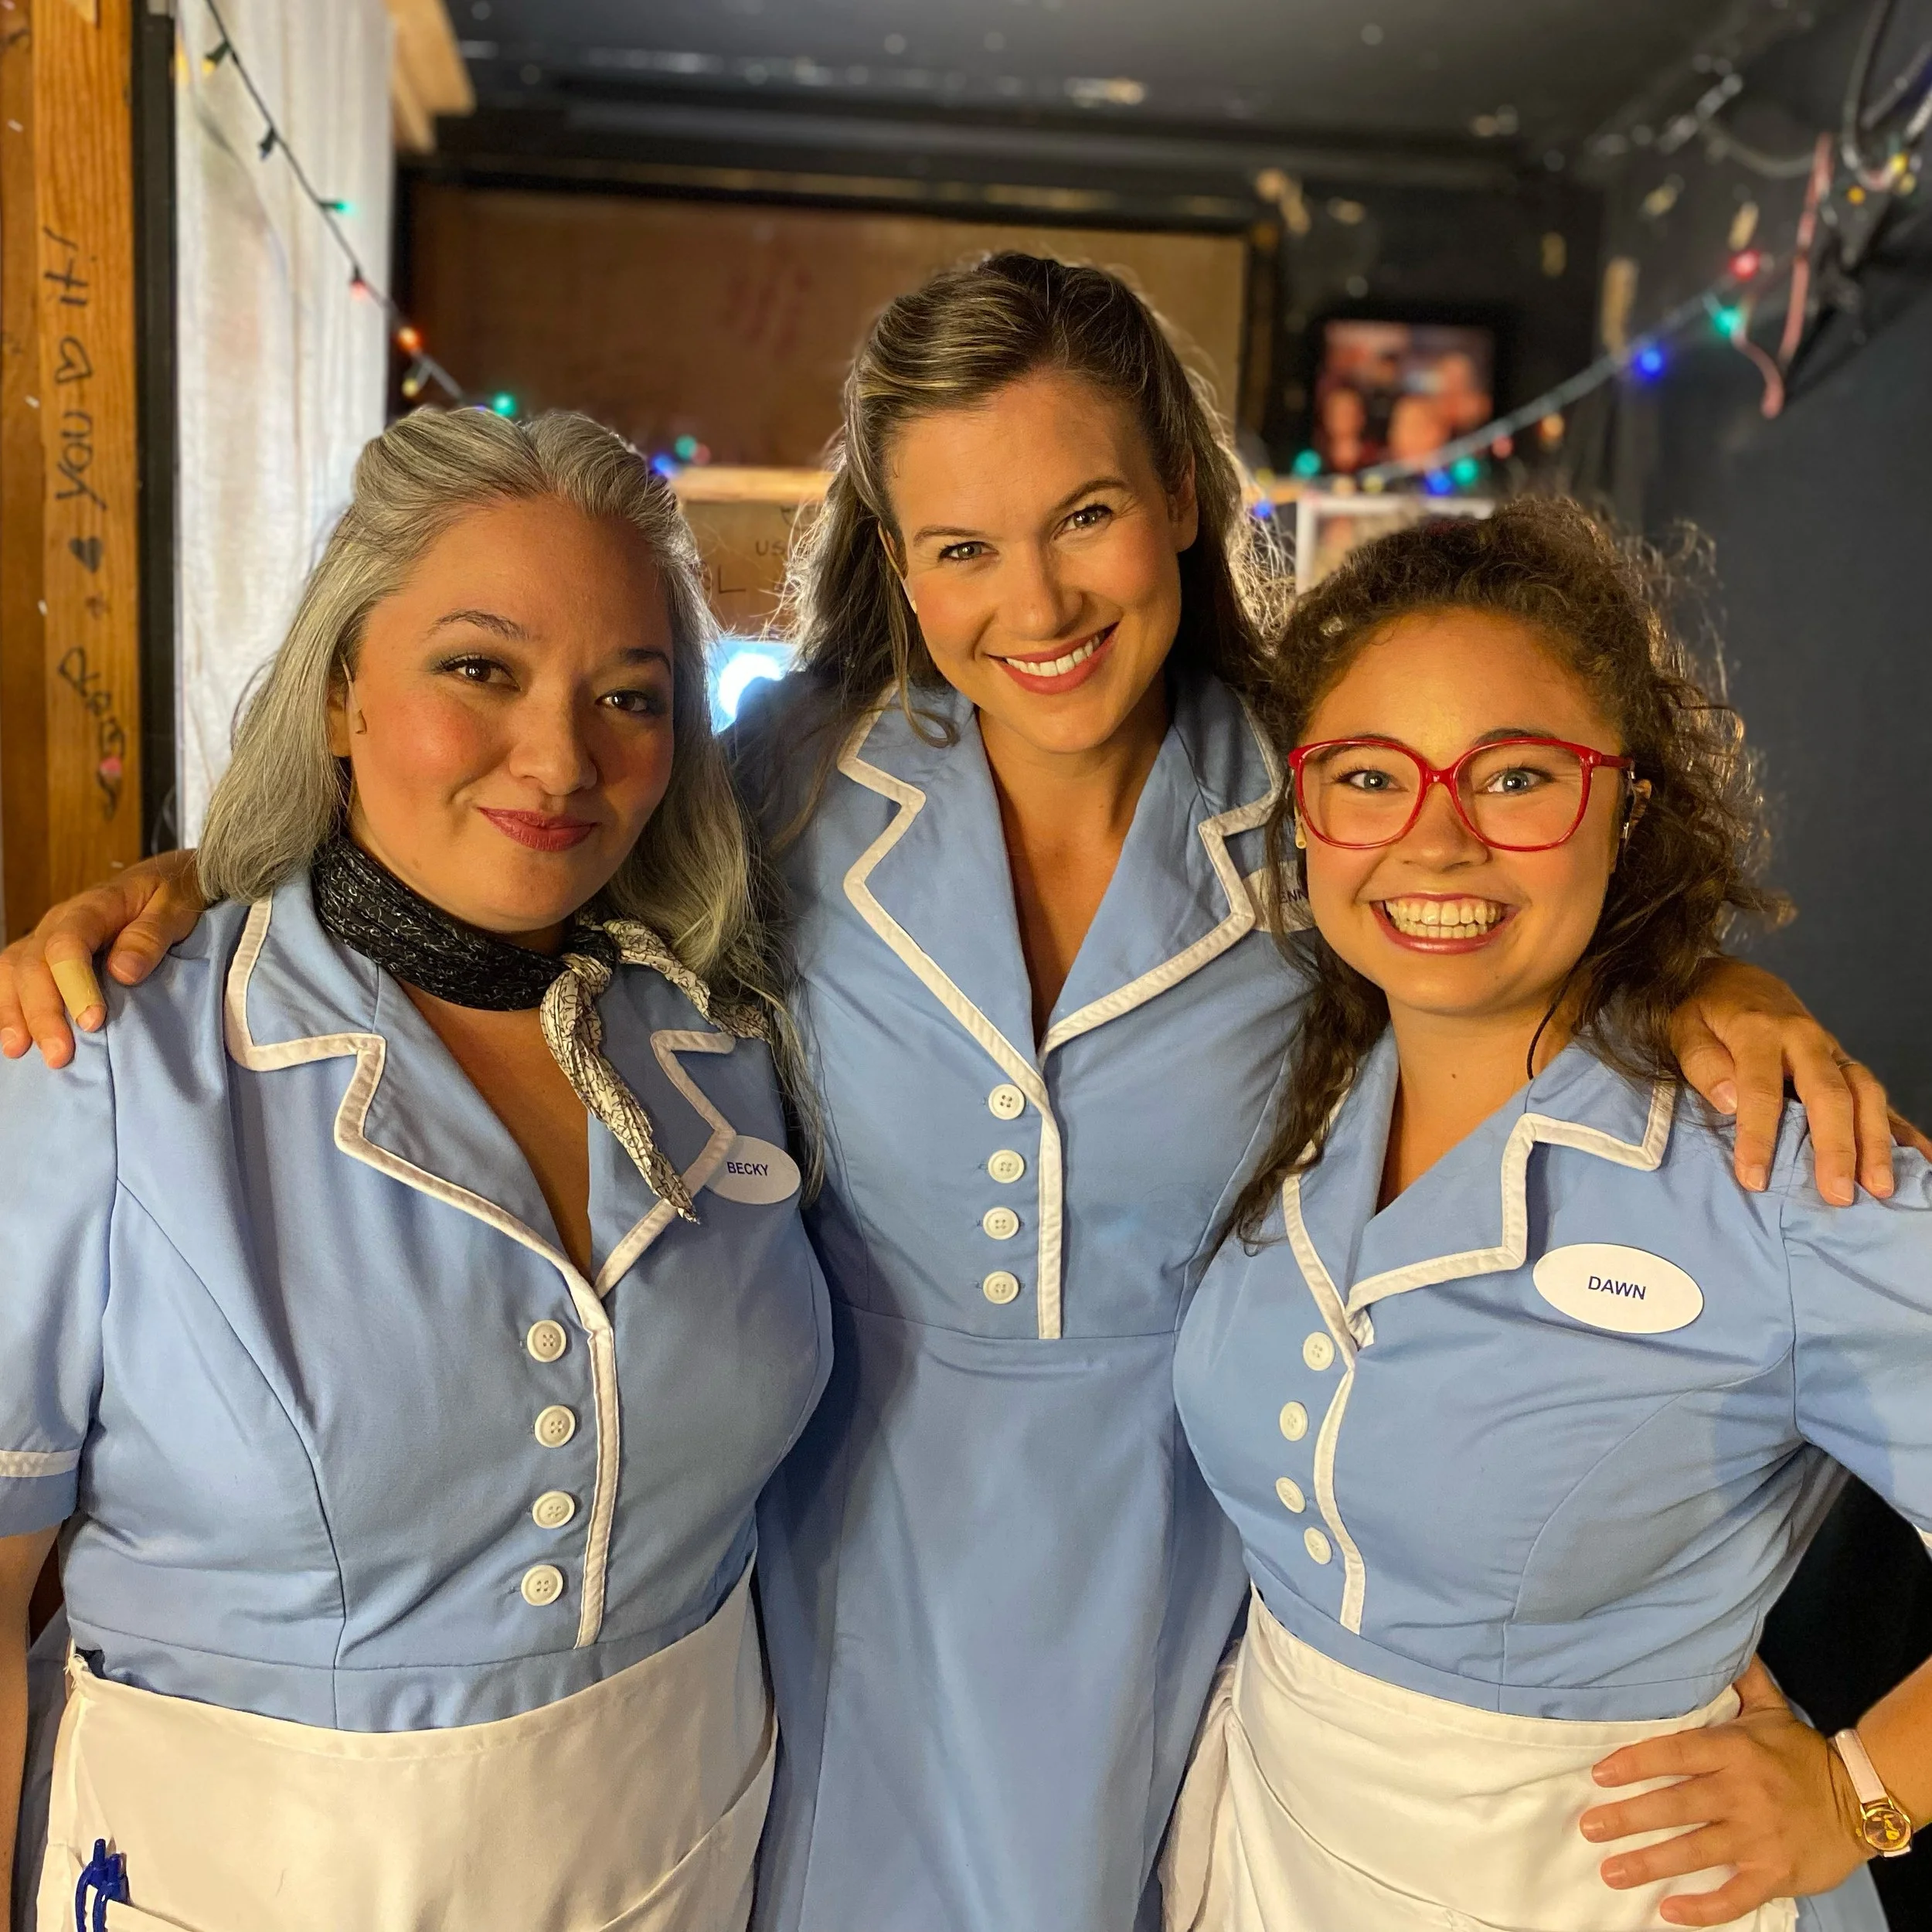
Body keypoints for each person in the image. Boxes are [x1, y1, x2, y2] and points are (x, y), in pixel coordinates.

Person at [0, 258, 1909, 1932]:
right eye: (957, 545)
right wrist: (197, 891)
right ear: (893, 567)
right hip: (826, 1536)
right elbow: (521, 853)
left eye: (1080, 513)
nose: (1034, 599)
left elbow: (1499, 914)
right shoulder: (794, 773)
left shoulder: (1321, 795)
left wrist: (1702, 980)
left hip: (1189, 1547)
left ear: (1177, 493)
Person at [0, 409, 830, 1932]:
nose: (560, 757)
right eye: (480, 668)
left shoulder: (725, 1052)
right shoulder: (104, 1066)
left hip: (676, 1860)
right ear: (338, 691)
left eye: (629, 696)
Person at [1165, 499, 1927, 1932]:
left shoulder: (1783, 1174)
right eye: (1370, 777)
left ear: (1628, 804)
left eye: (1516, 779)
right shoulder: (1295, 1076)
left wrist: (1857, 1795)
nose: (1436, 843)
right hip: (1271, 1855)